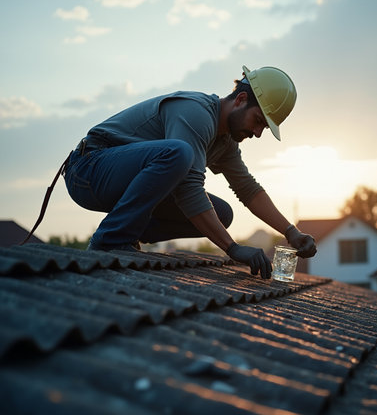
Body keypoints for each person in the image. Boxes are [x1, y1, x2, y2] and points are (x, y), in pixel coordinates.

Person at [64, 65, 317, 279]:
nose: (258, 133)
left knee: (222, 214)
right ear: (240, 100)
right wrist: (232, 247)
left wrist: (290, 232)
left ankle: (130, 234)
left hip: (110, 178)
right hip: (88, 169)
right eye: (259, 121)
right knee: (179, 154)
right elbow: (188, 188)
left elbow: (248, 189)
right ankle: (109, 241)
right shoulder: (196, 113)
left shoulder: (226, 141)